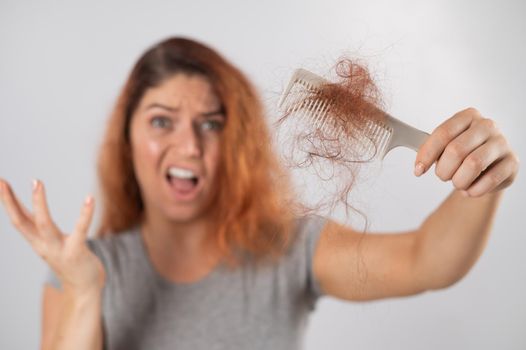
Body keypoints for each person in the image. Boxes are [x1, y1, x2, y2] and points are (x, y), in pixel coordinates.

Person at [0, 37, 519, 350]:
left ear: (237, 141)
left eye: (211, 123)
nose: (188, 145)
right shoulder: (83, 265)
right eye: (162, 121)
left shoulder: (288, 248)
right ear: (127, 140)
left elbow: (428, 261)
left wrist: (482, 179)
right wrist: (86, 290)